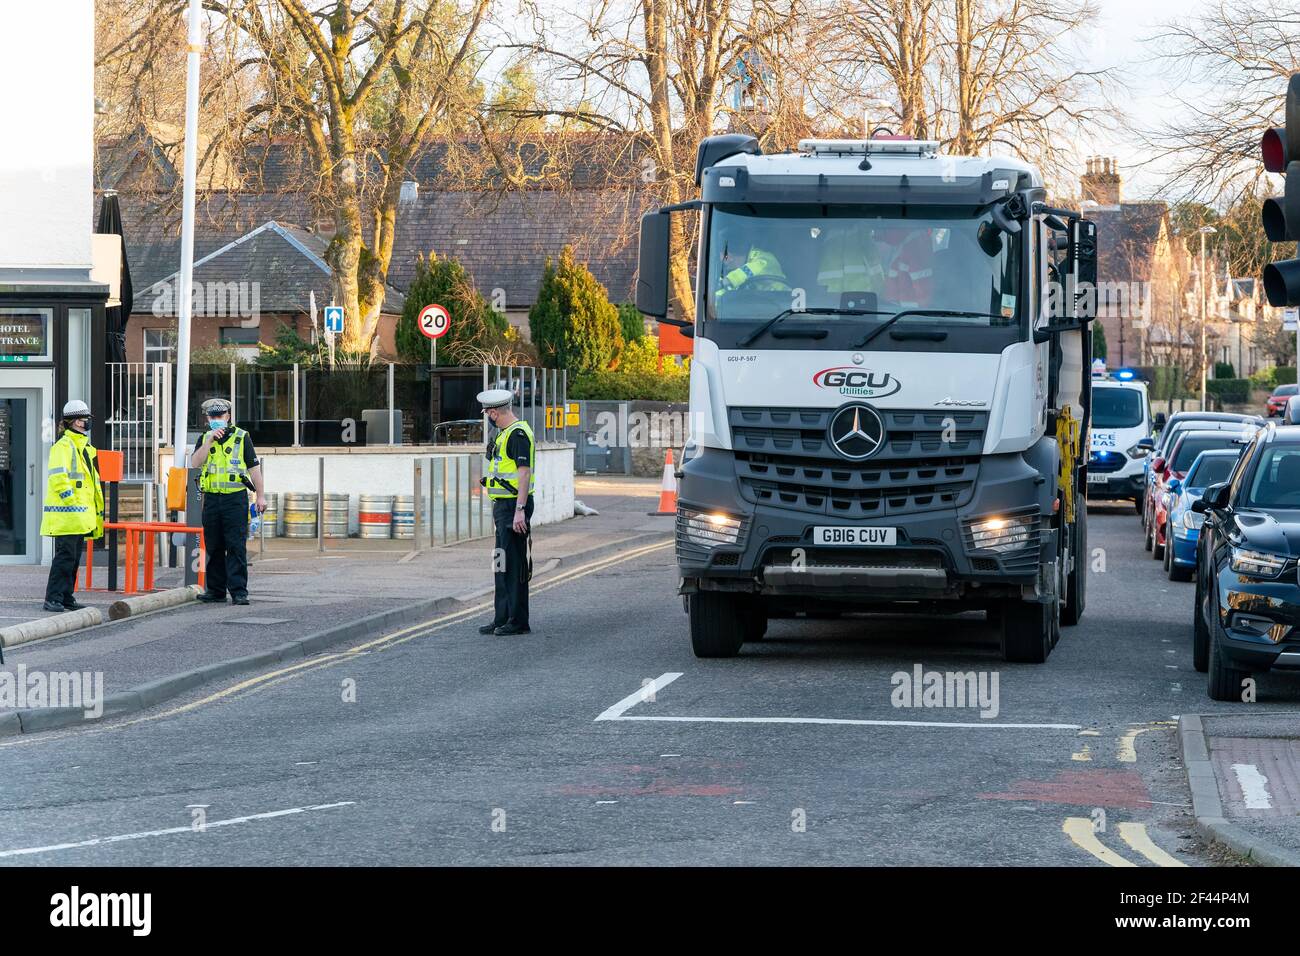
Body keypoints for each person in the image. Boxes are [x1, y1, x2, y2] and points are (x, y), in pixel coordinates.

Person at [190, 397, 266, 606]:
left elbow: (254, 469)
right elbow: (195, 463)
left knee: (236, 546)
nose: (216, 420)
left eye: (220, 416)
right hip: (212, 500)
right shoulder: (205, 438)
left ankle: (239, 592)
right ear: (207, 419)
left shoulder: (242, 437)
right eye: (212, 417)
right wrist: (209, 442)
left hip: (235, 500)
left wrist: (260, 495)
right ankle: (215, 590)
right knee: (214, 547)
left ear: (228, 417)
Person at [477, 388, 534, 636]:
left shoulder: (518, 434)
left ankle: (518, 621)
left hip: (514, 507)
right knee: (500, 563)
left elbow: (524, 473)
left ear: (493, 412)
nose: (488, 418)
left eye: (488, 414)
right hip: (503, 507)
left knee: (513, 565)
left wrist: (520, 511)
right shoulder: (504, 434)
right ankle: (501, 617)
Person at [39, 400, 104, 612]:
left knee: (73, 560)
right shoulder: (64, 446)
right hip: (67, 517)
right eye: (85, 419)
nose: (87, 423)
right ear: (76, 422)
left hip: (79, 517)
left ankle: (66, 596)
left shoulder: (83, 447)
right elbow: (58, 479)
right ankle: (53, 598)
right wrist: (73, 502)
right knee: (64, 559)